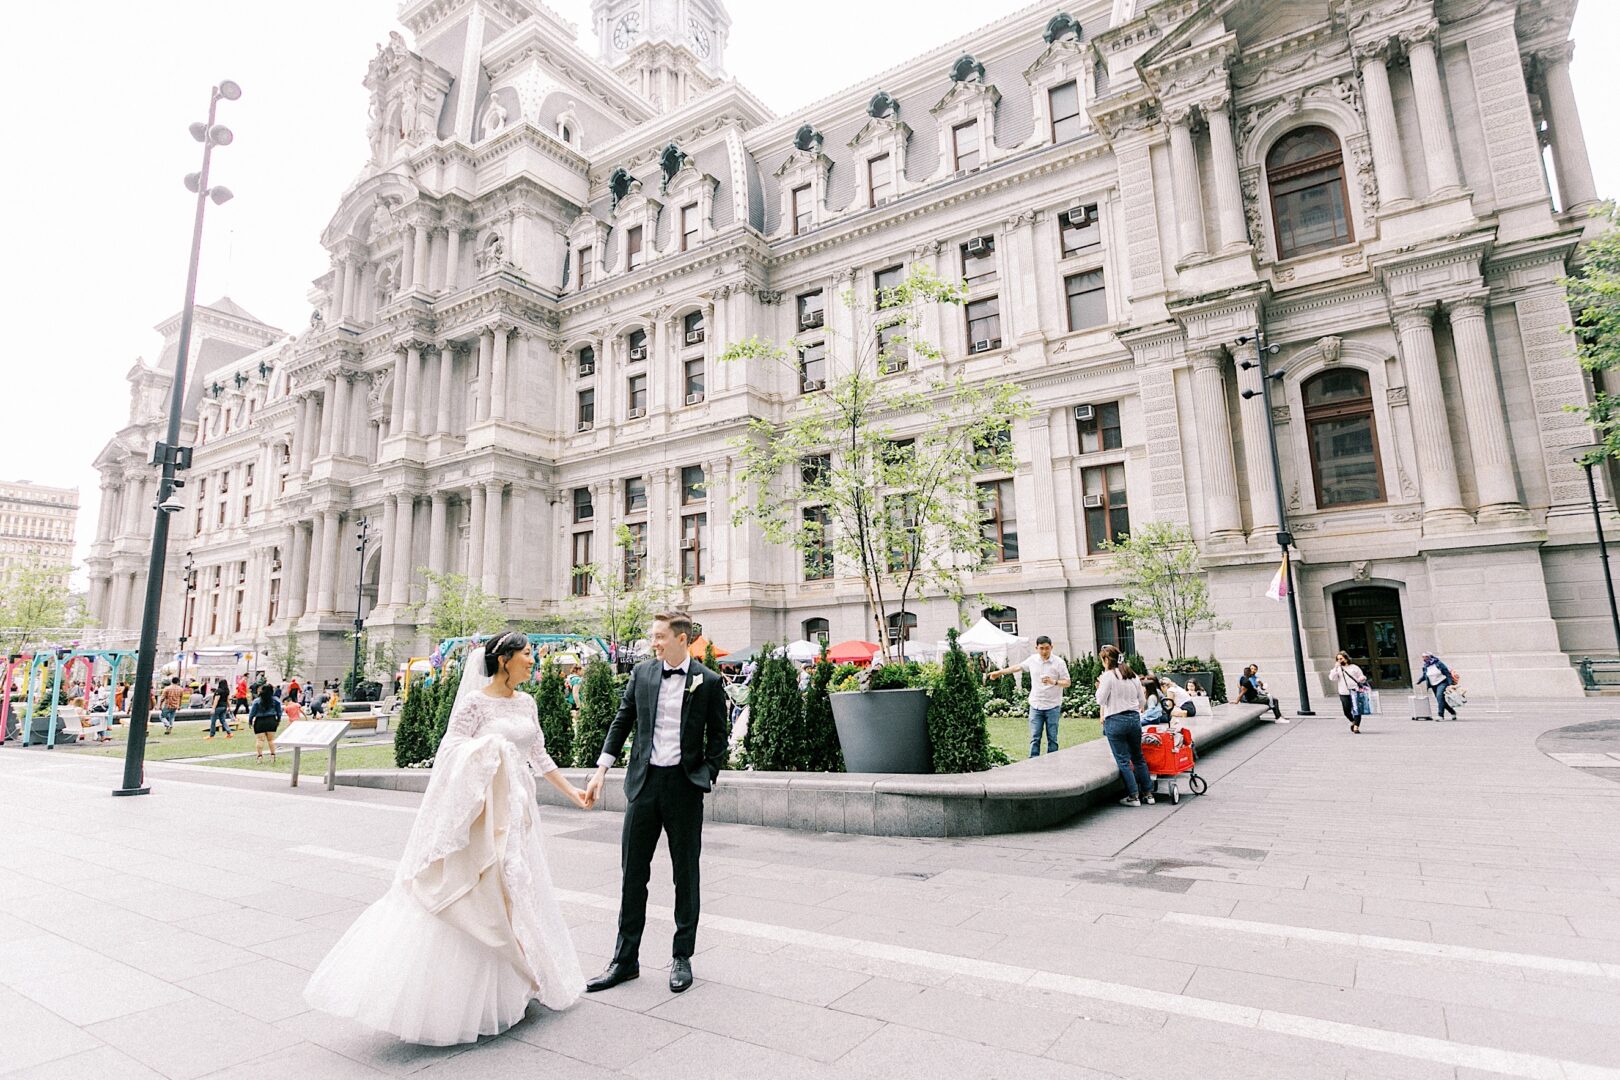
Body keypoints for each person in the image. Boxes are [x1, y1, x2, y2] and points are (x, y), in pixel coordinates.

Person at [305, 630, 591, 1045]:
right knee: (483, 894)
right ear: (506, 658)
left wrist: (573, 792)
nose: (534, 661)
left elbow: (539, 756)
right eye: (528, 654)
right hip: (481, 816)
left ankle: (508, 988)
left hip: (517, 813)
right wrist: (489, 749)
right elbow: (451, 751)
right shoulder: (475, 703)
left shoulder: (527, 703)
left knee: (516, 890)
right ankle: (459, 997)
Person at [583, 611, 730, 996]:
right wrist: (602, 770)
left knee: (685, 874)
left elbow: (719, 737)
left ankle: (682, 956)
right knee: (633, 873)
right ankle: (625, 960)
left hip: (683, 787)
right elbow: (623, 720)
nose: (654, 642)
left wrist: (706, 774)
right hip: (644, 784)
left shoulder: (708, 682)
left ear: (683, 639)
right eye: (653, 636)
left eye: (660, 636)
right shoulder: (643, 674)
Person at [986, 635, 1071, 757]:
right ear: (1036, 648)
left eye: (1047, 648)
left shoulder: (1059, 663)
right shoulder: (1032, 660)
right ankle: (1033, 763)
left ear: (1052, 647)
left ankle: (1053, 763)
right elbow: (1017, 667)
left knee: (1052, 738)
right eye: (1041, 648)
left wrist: (1054, 682)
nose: (1044, 651)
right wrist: (999, 672)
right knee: (1034, 738)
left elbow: (1067, 682)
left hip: (1053, 706)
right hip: (1036, 706)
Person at [1097, 644, 1152, 806]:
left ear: (1107, 659)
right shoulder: (1132, 675)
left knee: (1122, 760)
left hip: (1115, 719)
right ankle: (1148, 794)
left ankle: (1133, 796)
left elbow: (1100, 700)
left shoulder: (1108, 676)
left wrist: (1099, 686)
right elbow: (1142, 701)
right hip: (1134, 719)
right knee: (1138, 757)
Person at [1327, 651, 1368, 733]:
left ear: (1346, 658)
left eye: (1341, 658)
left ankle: (1356, 727)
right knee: (1346, 711)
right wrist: (1335, 668)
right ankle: (1353, 721)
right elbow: (1332, 678)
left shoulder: (1354, 667)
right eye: (1337, 659)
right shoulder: (1338, 669)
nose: (1339, 660)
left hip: (1355, 691)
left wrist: (1362, 678)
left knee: (1357, 709)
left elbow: (1361, 676)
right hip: (1343, 692)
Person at [1417, 652, 1457, 721]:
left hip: (1442, 682)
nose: (1424, 658)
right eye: (1423, 657)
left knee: (1439, 697)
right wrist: (1419, 681)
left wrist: (1450, 684)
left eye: (1425, 657)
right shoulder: (1425, 666)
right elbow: (1425, 675)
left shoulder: (1438, 663)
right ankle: (1452, 712)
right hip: (1433, 685)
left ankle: (1440, 715)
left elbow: (1447, 673)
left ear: (1429, 657)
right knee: (1441, 700)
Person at [248, 683, 283, 761]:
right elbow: (279, 712)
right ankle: (273, 756)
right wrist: (278, 719)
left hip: (260, 721)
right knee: (271, 740)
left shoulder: (257, 701)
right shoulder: (276, 700)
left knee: (260, 740)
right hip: (271, 720)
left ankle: (259, 756)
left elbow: (252, 713)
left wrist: (250, 721)